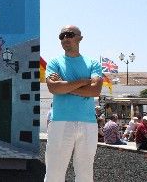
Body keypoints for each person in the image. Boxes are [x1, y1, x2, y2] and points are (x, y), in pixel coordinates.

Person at [44, 25, 103, 182]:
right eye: (61, 36)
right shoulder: (54, 63)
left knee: (85, 174)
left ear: (80, 38)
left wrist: (65, 86)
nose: (65, 38)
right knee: (54, 174)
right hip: (60, 122)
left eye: (69, 34)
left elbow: (95, 91)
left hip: (88, 124)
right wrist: (84, 82)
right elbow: (53, 87)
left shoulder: (93, 63)